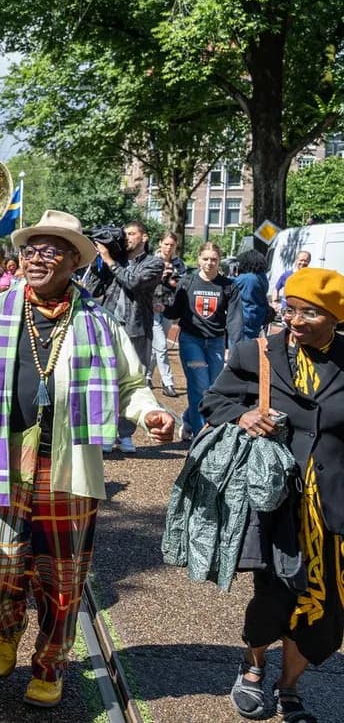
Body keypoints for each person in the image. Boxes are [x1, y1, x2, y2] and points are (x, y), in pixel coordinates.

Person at [0, 209, 174, 708]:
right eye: (30, 248)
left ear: (74, 262)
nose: (35, 258)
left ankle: (50, 663)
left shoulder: (98, 321)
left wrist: (150, 413)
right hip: (2, 459)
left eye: (49, 249)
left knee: (62, 577)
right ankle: (5, 630)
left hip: (69, 469)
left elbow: (131, 383)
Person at [201, 267, 344, 723]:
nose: (295, 320)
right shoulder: (258, 353)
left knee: (324, 612)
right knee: (274, 597)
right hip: (276, 505)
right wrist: (243, 416)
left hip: (334, 512)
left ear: (336, 317)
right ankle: (254, 667)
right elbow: (214, 402)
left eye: (309, 312)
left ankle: (290, 687)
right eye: (291, 309)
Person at [93, 220, 164, 454]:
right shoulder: (116, 259)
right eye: (125, 234)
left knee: (134, 380)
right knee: (106, 381)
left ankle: (125, 435)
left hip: (137, 329)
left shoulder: (154, 263)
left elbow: (134, 283)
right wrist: (99, 260)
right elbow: (96, 287)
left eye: (132, 234)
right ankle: (106, 431)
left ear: (144, 237)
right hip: (110, 325)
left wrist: (110, 261)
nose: (127, 238)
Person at [164, 242, 242, 440]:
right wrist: (162, 306)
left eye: (214, 259)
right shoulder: (188, 282)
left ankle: (189, 420)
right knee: (200, 385)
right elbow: (176, 310)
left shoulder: (228, 286)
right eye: (206, 259)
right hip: (192, 342)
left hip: (215, 342)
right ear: (199, 259)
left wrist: (235, 348)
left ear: (219, 261)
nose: (209, 263)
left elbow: (234, 319)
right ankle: (202, 436)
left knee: (213, 387)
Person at [151, 233, 187, 397]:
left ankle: (146, 376)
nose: (168, 248)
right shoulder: (150, 260)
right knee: (162, 346)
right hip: (151, 306)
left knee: (157, 347)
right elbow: (142, 281)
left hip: (169, 306)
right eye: (166, 244)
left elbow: (182, 284)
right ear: (160, 243)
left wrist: (172, 279)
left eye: (171, 245)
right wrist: (160, 276)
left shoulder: (179, 263)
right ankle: (168, 382)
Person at [234, 249, 272, 341]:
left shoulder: (246, 278)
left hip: (244, 316)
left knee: (239, 346)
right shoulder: (263, 277)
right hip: (258, 315)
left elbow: (228, 285)